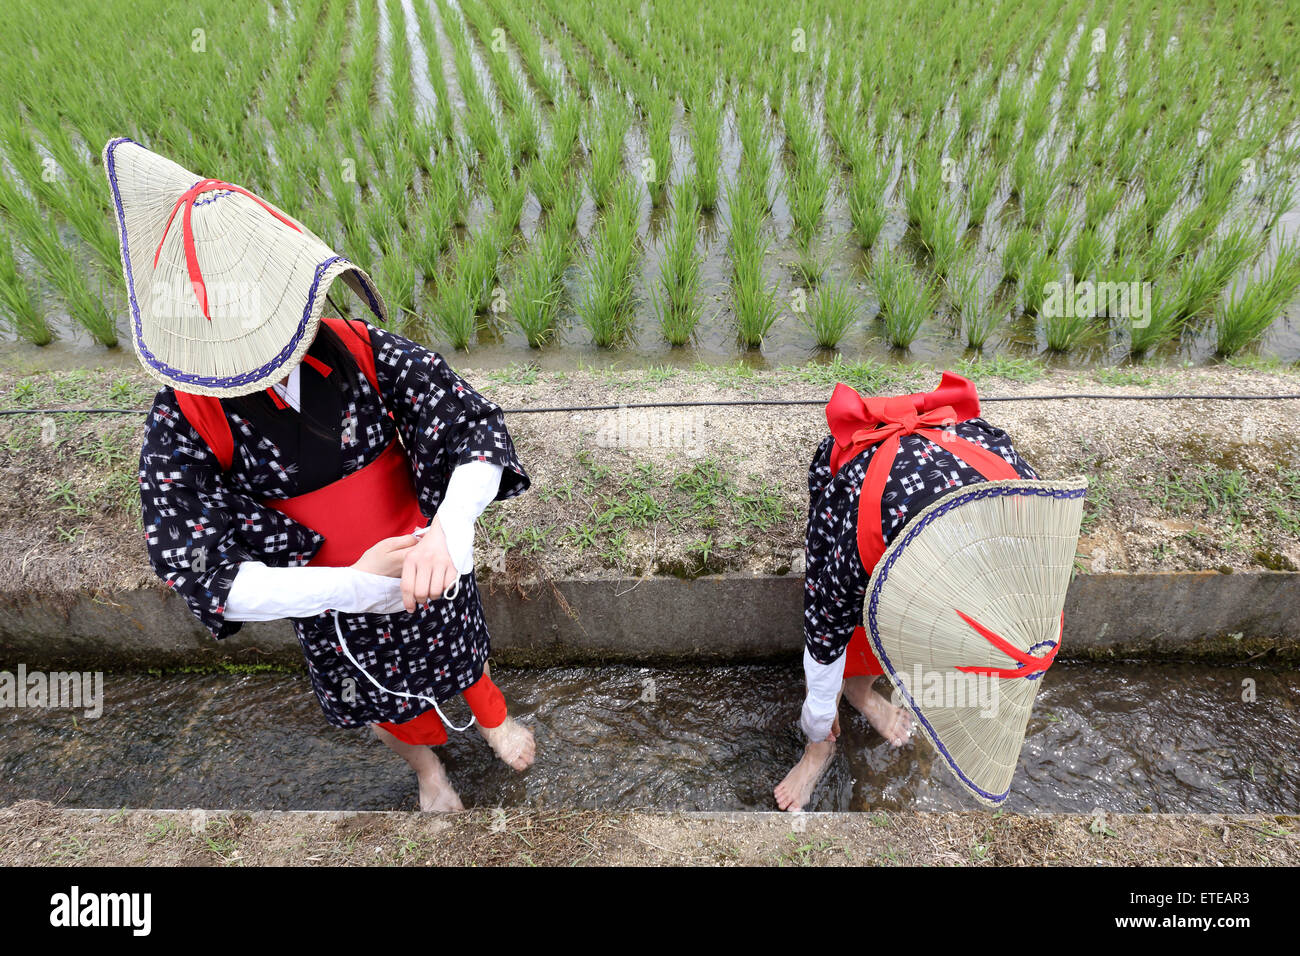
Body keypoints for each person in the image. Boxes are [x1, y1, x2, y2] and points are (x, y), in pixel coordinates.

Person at [106, 137, 533, 811]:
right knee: (378, 698)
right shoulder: (186, 424)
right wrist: (352, 584)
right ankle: (428, 772)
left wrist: (449, 531)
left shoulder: (363, 351)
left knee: (461, 649)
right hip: (326, 597)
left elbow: (472, 427)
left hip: (426, 553)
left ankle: (494, 718)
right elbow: (203, 572)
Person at [776, 372, 1042, 811]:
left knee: (898, 629)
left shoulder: (1020, 510)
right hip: (858, 480)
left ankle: (860, 691)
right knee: (852, 619)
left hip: (947, 458)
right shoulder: (860, 549)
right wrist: (818, 722)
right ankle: (820, 748)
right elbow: (824, 633)